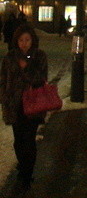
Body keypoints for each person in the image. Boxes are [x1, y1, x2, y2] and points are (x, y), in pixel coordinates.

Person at [0, 24, 48, 192]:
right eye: (21, 40)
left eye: (27, 39)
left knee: (28, 140)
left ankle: (26, 176)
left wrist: (26, 68)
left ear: (32, 40)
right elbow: (3, 79)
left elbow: (41, 79)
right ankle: (23, 167)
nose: (24, 43)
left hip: (33, 105)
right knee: (18, 141)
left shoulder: (39, 56)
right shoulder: (10, 57)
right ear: (16, 41)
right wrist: (4, 98)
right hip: (15, 105)